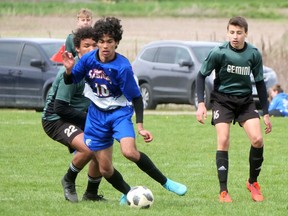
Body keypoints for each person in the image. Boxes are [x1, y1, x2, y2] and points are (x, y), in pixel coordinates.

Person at [62, 16, 187, 205]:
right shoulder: (88, 59)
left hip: (119, 113)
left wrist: (141, 126)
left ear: (117, 43)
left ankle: (166, 182)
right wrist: (69, 70)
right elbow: (70, 80)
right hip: (96, 116)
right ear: (97, 42)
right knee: (105, 169)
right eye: (101, 41)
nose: (105, 46)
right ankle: (129, 193)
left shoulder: (122, 67)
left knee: (129, 152)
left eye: (110, 42)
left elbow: (136, 97)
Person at [196, 16, 272, 203]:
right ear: (227, 32)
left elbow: (260, 83)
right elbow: (200, 76)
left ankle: (252, 183)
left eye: (239, 33)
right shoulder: (219, 52)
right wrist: (201, 103)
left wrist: (266, 112)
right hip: (222, 101)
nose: (235, 36)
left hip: (245, 101)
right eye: (231, 32)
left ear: (245, 33)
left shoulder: (253, 53)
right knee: (223, 140)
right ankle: (223, 191)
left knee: (258, 139)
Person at [42, 26, 105, 203]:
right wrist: (90, 120)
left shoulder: (98, 68)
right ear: (77, 48)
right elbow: (60, 108)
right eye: (86, 46)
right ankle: (68, 179)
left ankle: (91, 194)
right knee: (89, 148)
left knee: (103, 148)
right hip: (55, 119)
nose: (91, 50)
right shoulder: (70, 71)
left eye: (95, 45)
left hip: (79, 115)